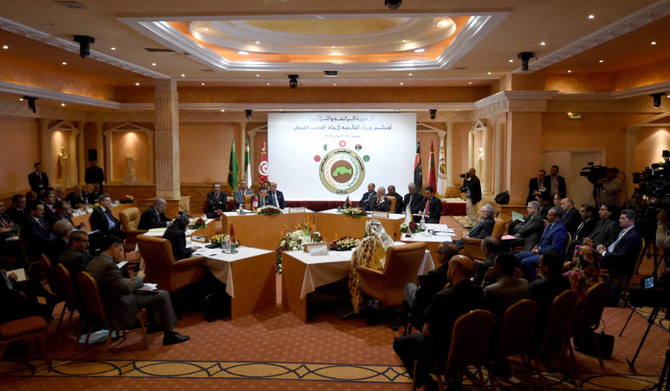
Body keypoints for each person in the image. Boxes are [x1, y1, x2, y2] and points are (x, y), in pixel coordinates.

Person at [393, 255, 483, 390]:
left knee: (399, 344)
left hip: (442, 351)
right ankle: (452, 375)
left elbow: (426, 330)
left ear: (452, 271)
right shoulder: (480, 292)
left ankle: (427, 382)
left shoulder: (442, 297)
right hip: (471, 349)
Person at [87, 235, 189, 345]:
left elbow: (113, 282)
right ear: (113, 247)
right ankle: (169, 334)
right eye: (121, 250)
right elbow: (128, 288)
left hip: (107, 299)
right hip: (118, 304)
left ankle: (154, 324)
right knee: (162, 294)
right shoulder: (108, 265)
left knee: (150, 290)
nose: (121, 254)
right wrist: (139, 276)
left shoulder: (95, 261)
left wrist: (130, 281)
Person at [403, 242, 459, 331]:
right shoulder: (458, 272)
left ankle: (406, 321)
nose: (436, 254)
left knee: (409, 286)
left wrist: (420, 289)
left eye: (437, 252)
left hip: (426, 309)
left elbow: (420, 295)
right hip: (446, 311)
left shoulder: (435, 274)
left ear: (443, 255)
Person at [347, 219, 393, 315]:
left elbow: (359, 261)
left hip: (375, 279)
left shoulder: (369, 241)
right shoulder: (389, 239)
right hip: (391, 280)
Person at [529, 249, 571, 345]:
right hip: (559, 329)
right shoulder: (565, 280)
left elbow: (530, 313)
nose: (538, 267)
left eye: (540, 264)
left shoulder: (537, 286)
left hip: (539, 333)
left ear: (547, 267)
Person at [515, 207, 568, 281]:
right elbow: (543, 240)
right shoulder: (549, 224)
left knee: (525, 262)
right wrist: (536, 246)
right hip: (540, 249)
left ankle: (533, 280)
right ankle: (522, 276)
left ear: (557, 216)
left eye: (550, 215)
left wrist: (539, 250)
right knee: (516, 256)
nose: (547, 216)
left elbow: (556, 248)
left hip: (549, 255)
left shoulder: (560, 229)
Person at [597, 209, 642, 281]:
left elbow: (621, 256)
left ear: (632, 221)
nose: (619, 220)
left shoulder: (632, 236)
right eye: (620, 218)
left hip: (620, 267)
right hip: (615, 260)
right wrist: (605, 249)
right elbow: (616, 247)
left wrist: (604, 253)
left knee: (591, 260)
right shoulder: (623, 231)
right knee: (590, 254)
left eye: (623, 218)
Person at [483, 252, 530, 319]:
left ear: (499, 267)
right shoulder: (525, 283)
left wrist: (485, 280)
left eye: (495, 263)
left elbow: (482, 306)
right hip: (522, 322)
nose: (493, 265)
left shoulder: (490, 289)